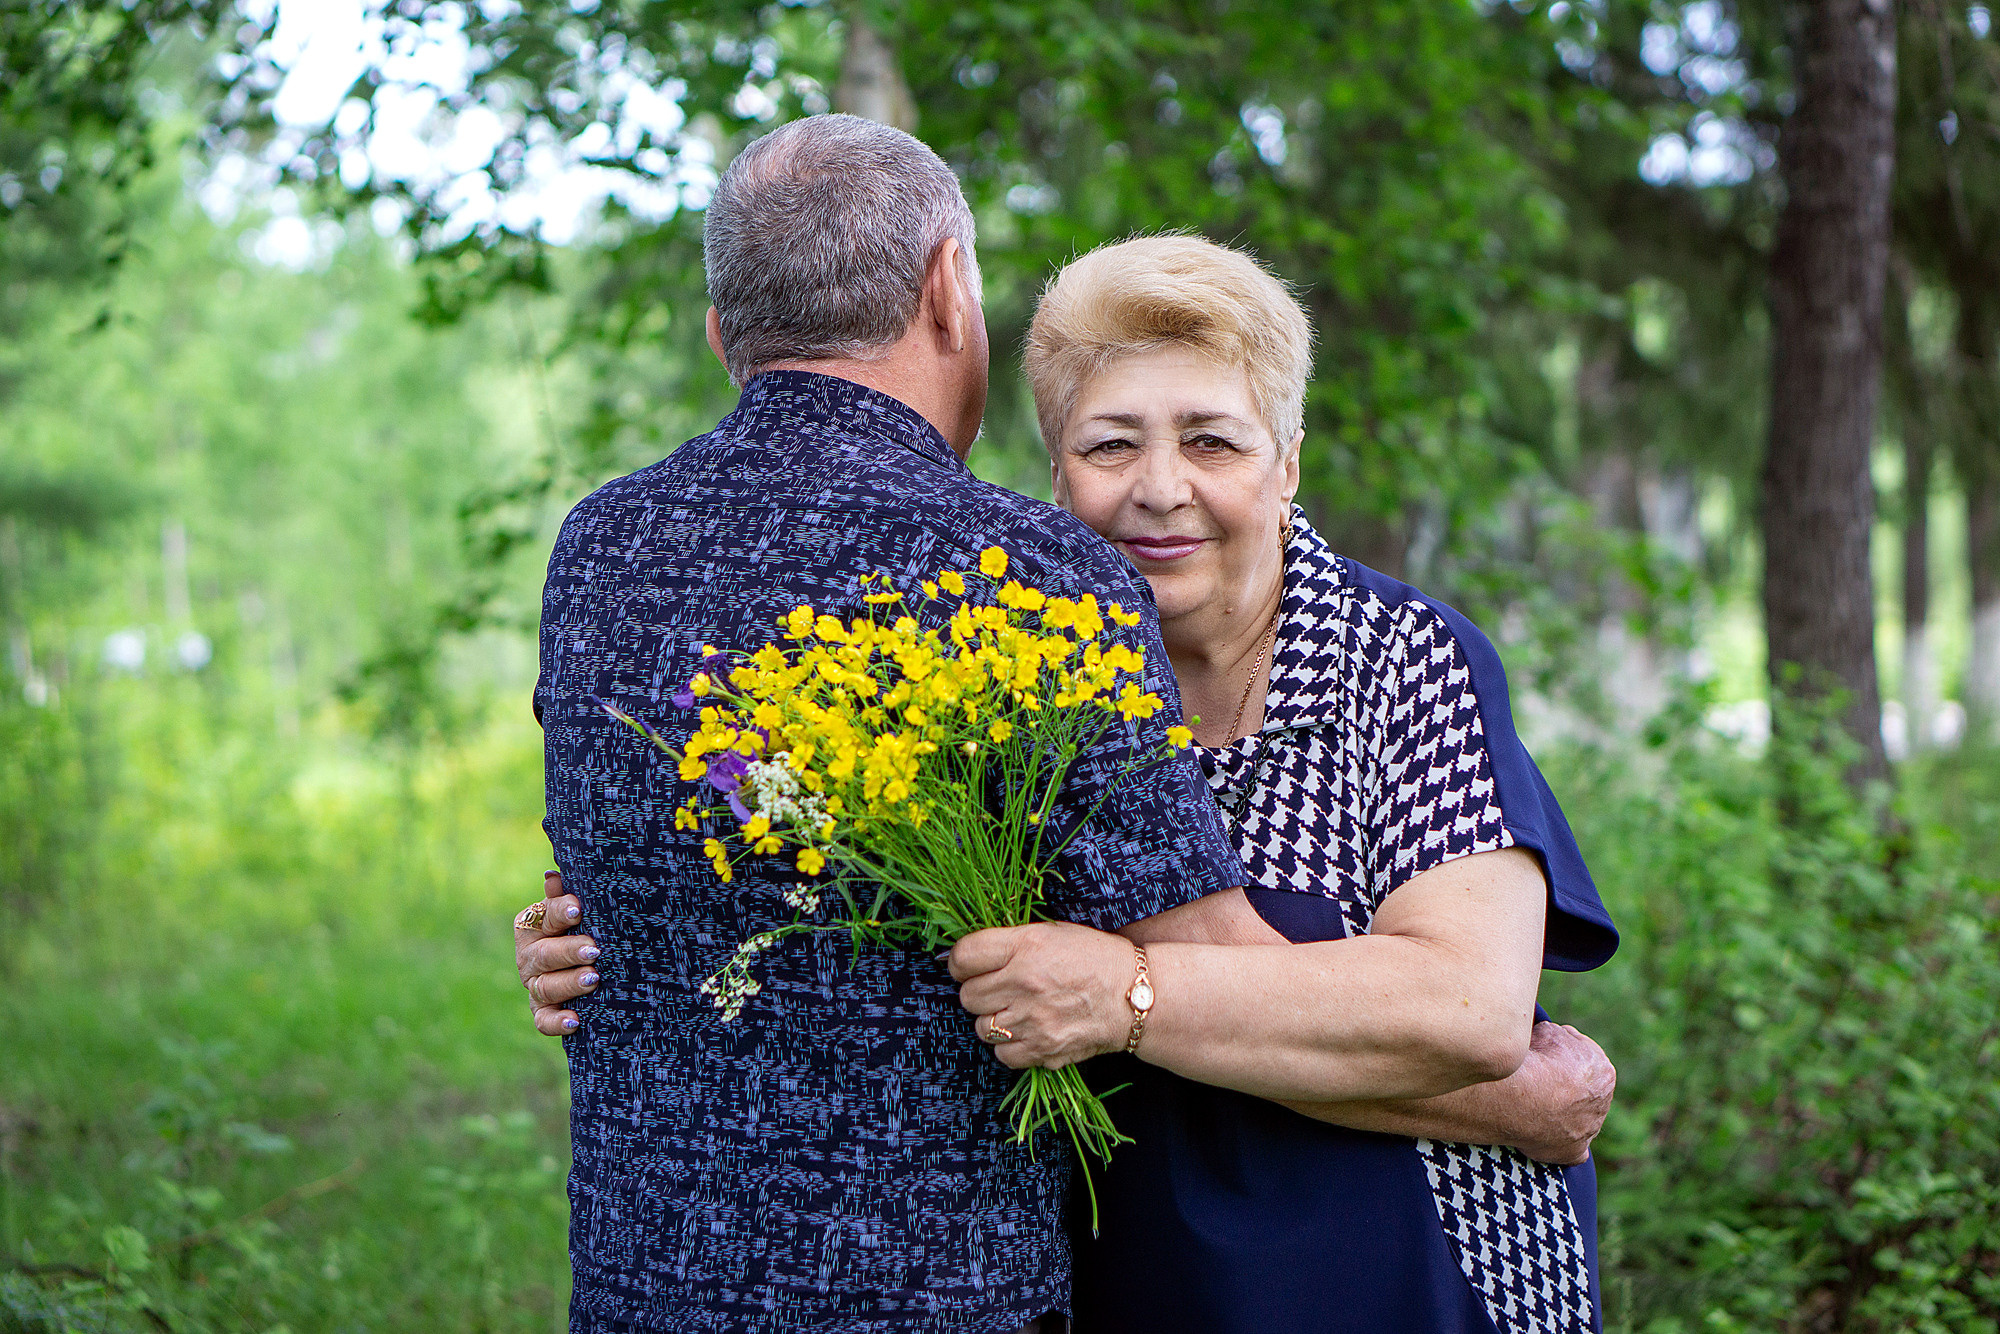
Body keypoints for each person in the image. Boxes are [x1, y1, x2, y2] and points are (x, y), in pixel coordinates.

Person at [520, 135, 1618, 1329]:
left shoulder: (1397, 659)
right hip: (1084, 1275)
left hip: (1382, 1278)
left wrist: (1135, 991)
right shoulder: (1017, 621)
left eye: (1211, 439)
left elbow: (1451, 1009)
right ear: (957, 300)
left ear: (1287, 461)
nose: (1158, 486)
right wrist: (610, 928)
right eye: (1108, 444)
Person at [533, 116, 1247, 1334]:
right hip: (933, 1297)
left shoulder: (596, 547)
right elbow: (1210, 968)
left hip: (640, 1289)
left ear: (723, 336)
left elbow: (609, 902)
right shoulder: (1027, 568)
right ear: (946, 289)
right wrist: (1484, 1072)